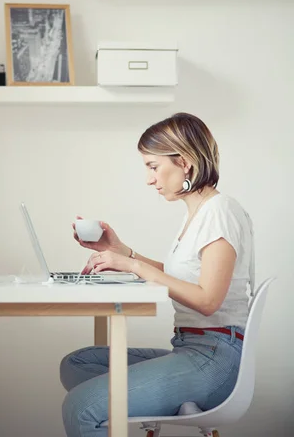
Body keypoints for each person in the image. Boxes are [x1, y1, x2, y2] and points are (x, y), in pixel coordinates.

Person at [60, 112, 254, 437]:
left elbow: (207, 300)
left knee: (81, 408)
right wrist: (123, 251)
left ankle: (160, 395)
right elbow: (183, 277)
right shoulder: (198, 214)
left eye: (153, 166)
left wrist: (135, 267)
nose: (149, 179)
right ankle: (160, 396)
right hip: (191, 349)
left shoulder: (220, 212)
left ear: (185, 162)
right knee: (77, 364)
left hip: (215, 359)